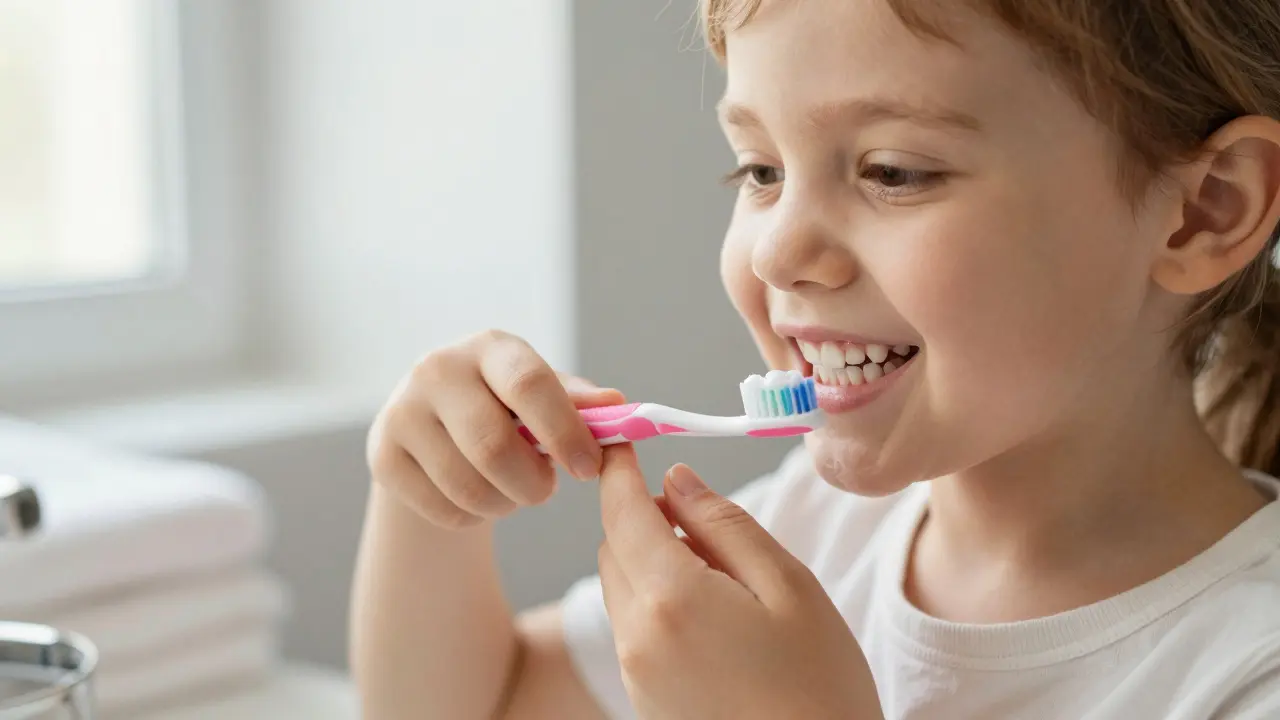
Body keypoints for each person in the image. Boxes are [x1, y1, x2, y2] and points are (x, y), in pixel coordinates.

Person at [350, 0, 1280, 717]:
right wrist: (433, 502)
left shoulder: (1247, 668)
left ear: (1209, 211)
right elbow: (487, 701)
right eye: (761, 170)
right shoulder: (816, 530)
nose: (776, 253)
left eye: (894, 171)